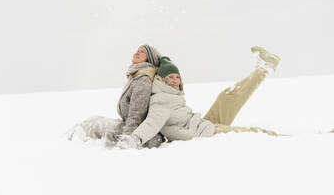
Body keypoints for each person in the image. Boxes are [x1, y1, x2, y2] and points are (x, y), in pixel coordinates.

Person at [116, 46, 282, 149]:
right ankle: (279, 139)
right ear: (162, 80)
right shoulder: (161, 99)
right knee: (248, 133)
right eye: (170, 78)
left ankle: (264, 68)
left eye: (177, 77)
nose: (175, 81)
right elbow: (152, 122)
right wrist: (134, 139)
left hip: (201, 123)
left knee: (226, 96)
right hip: (203, 132)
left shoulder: (171, 93)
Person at [67, 45, 166, 148]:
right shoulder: (138, 77)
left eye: (142, 52)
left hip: (139, 131)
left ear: (150, 59)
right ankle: (72, 137)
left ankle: (70, 142)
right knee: (94, 120)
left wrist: (127, 139)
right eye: (137, 50)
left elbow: (136, 115)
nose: (136, 53)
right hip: (131, 125)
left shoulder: (143, 81)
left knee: (95, 124)